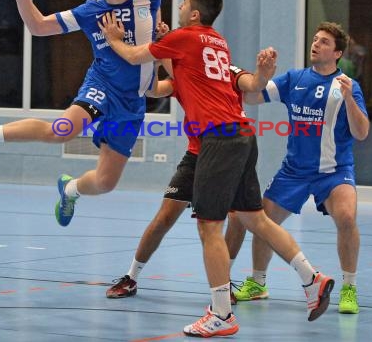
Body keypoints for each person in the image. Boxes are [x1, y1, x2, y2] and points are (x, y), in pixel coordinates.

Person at [100, 0, 335, 338]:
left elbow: (135, 56)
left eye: (183, 3)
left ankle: (221, 314)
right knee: (255, 218)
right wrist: (262, 74)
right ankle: (312, 279)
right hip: (237, 137)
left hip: (219, 140)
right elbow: (164, 86)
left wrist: (114, 38)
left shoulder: (186, 38)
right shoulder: (216, 47)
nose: (179, 6)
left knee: (209, 227)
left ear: (194, 14)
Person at [0, 0, 165, 227]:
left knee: (105, 183)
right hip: (102, 86)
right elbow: (38, 26)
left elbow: (158, 41)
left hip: (132, 103)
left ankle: (69, 190)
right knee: (61, 131)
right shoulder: (90, 12)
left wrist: (162, 38)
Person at [106, 58, 273, 304]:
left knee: (237, 217)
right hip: (196, 155)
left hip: (227, 152)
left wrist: (263, 72)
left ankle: (223, 281)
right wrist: (152, 59)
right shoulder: (184, 78)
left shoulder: (227, 72)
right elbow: (153, 89)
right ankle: (131, 276)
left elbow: (253, 84)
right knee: (165, 216)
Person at [237, 22, 369, 315]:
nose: (316, 44)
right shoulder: (294, 79)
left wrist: (349, 100)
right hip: (294, 171)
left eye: (323, 42)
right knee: (263, 220)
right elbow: (252, 96)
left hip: (334, 171)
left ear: (336, 53)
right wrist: (263, 74)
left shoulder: (347, 85)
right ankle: (258, 283)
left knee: (346, 217)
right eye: (315, 39)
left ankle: (349, 287)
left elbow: (361, 133)